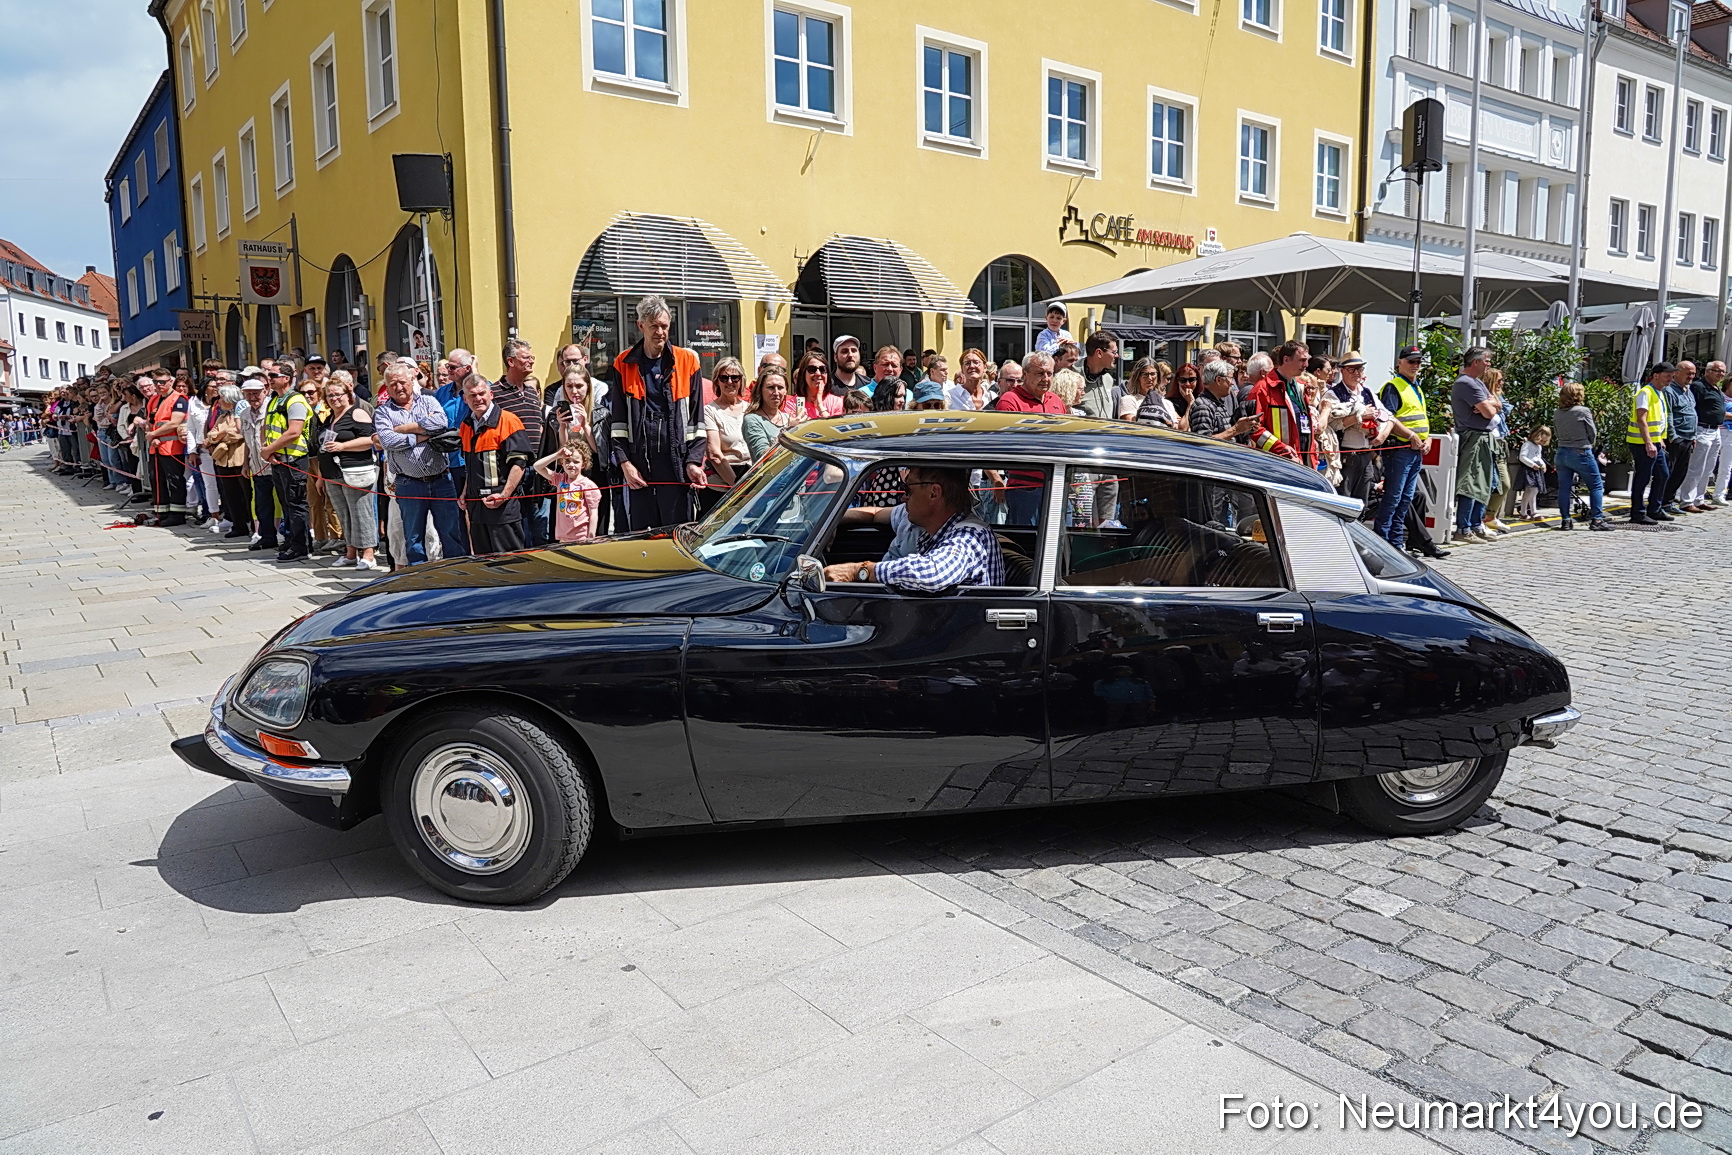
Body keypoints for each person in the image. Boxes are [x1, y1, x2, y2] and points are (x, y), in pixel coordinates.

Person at [609, 296, 707, 531]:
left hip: (676, 468)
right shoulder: (623, 363)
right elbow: (618, 423)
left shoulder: (687, 361)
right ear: (640, 325)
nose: (660, 332)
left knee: (678, 536)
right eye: (654, 326)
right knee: (641, 540)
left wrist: (694, 462)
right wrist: (625, 464)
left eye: (664, 325)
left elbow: (697, 419)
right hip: (639, 467)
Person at [822, 465, 1004, 590]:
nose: (903, 498)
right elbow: (876, 513)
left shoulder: (969, 536)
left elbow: (932, 574)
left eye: (908, 489)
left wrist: (859, 571)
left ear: (934, 493)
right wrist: (831, 520)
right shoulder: (934, 530)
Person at [373, 361, 472, 563]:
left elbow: (441, 423)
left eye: (402, 382)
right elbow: (388, 441)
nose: (399, 387)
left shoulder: (429, 401)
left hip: (442, 481)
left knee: (451, 534)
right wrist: (423, 435)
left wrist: (404, 428)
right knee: (414, 537)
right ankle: (420, 579)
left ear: (411, 380)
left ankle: (458, 574)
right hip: (409, 483)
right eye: (393, 384)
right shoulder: (383, 412)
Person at [458, 373, 533, 555]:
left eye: (482, 393)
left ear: (491, 394)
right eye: (472, 395)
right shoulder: (466, 425)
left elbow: (519, 464)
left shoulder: (508, 421)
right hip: (478, 508)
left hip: (502, 508)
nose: (478, 399)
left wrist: (504, 495)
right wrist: (465, 492)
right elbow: (471, 466)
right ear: (465, 399)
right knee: (484, 564)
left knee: (510, 563)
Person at [315, 372, 380, 571]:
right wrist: (320, 476)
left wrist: (343, 447)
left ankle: (368, 553)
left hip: (355, 470)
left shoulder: (357, 412)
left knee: (361, 513)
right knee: (344, 514)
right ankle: (350, 552)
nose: (335, 399)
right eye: (330, 396)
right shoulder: (330, 418)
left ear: (347, 394)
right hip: (332, 473)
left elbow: (371, 440)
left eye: (338, 394)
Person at [994, 351, 1067, 524]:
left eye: (1049, 373)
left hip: (1056, 486)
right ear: (1025, 375)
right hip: (1025, 489)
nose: (1046, 378)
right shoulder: (1010, 401)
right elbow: (1006, 445)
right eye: (1040, 373)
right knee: (1026, 545)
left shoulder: (1056, 401)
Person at [492, 337, 552, 544]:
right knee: (519, 528)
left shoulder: (531, 393)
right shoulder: (494, 394)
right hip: (512, 469)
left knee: (540, 527)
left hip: (537, 470)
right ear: (511, 361)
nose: (531, 362)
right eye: (526, 357)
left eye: (532, 357)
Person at [1373, 346, 1429, 548]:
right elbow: (1388, 418)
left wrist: (1427, 437)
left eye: (1418, 362)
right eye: (1411, 361)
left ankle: (1396, 543)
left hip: (1414, 450)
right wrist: (1411, 435)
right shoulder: (1393, 386)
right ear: (1400, 362)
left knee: (1405, 500)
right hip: (1399, 450)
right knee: (1393, 499)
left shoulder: (1416, 386)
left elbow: (1419, 418)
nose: (1415, 365)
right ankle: (1383, 543)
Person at [257, 363, 313, 560]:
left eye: (273, 375)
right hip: (279, 459)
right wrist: (267, 450)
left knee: (297, 503)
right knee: (287, 503)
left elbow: (294, 431)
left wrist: (269, 450)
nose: (269, 378)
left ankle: (301, 546)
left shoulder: (295, 400)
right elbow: (267, 426)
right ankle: (291, 540)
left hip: (294, 460)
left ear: (286, 378)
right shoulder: (274, 399)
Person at [1448, 347, 1501, 545]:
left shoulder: (1477, 382)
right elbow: (1489, 412)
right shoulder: (1466, 383)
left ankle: (1476, 524)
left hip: (1483, 438)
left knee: (1487, 483)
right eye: (1486, 361)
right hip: (1473, 439)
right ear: (1476, 362)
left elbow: (1497, 404)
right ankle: (1464, 528)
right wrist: (1489, 406)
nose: (1489, 364)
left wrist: (1491, 405)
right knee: (1471, 485)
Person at [1330, 353, 1388, 507]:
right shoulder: (1333, 394)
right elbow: (1332, 425)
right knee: (1343, 501)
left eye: (1360, 369)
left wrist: (1382, 436)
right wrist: (1360, 417)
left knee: (1362, 503)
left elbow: (1388, 417)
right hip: (1344, 456)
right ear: (1342, 371)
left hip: (1366, 455)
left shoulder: (1367, 392)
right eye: (1352, 369)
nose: (1357, 373)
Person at [1247, 341, 1316, 467]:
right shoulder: (1262, 389)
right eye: (1302, 360)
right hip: (1275, 463)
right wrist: (1282, 449)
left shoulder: (1300, 386)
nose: (1306, 365)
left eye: (1307, 360)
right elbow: (1253, 429)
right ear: (1286, 359)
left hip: (1302, 460)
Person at [1552, 382, 1610, 531]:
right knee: (1596, 485)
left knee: (1564, 488)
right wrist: (1589, 444)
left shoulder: (1557, 413)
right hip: (1581, 451)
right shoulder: (1583, 411)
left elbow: (1557, 433)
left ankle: (1566, 520)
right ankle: (1597, 520)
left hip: (1562, 451)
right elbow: (1592, 432)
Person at [204, 381, 253, 539]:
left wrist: (221, 435)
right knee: (230, 495)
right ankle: (238, 525)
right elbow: (211, 435)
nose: (219, 401)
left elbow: (239, 434)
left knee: (247, 495)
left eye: (222, 398)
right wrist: (224, 434)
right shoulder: (222, 417)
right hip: (223, 461)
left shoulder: (244, 413)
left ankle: (253, 524)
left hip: (240, 460)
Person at [1627, 363, 1673, 525]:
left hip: (1655, 442)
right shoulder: (1645, 393)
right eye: (1667, 375)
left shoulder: (1659, 393)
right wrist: (1648, 443)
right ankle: (1638, 513)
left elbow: (1658, 420)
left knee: (1663, 474)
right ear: (1655, 376)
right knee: (1643, 477)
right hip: (1642, 443)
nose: (1670, 379)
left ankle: (1655, 509)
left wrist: (1659, 439)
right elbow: (1642, 419)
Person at [533, 441, 603, 544]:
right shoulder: (560, 479)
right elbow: (537, 466)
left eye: (576, 462)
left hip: (581, 537)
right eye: (567, 461)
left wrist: (591, 536)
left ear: (583, 464)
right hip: (563, 537)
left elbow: (593, 513)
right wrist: (557, 455)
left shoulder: (588, 485)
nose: (571, 465)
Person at [1678, 358, 1725, 511]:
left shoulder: (1716, 388)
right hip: (1702, 430)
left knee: (1709, 468)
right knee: (1696, 467)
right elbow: (1692, 409)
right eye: (1718, 371)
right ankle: (1687, 500)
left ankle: (1699, 498)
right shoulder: (1698, 387)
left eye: (1723, 372)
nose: (1721, 374)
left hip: (1715, 430)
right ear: (1708, 371)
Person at [1657, 360, 1700, 517]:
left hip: (1689, 437)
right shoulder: (1670, 391)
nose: (1691, 376)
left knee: (1680, 473)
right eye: (1688, 373)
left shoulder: (1688, 390)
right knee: (1669, 472)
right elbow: (1669, 414)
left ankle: (1669, 502)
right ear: (1677, 372)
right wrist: (1673, 436)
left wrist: (1693, 435)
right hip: (1677, 438)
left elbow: (1691, 413)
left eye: (1694, 373)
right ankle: (1661, 503)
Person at [701, 357, 752, 488]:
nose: (730, 382)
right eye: (724, 378)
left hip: (751, 477)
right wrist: (737, 487)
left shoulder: (751, 409)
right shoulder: (710, 411)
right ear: (717, 381)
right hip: (722, 483)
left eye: (735, 378)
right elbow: (714, 454)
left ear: (741, 380)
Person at [1187, 360, 1262, 443]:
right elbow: (1202, 443)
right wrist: (1236, 429)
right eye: (1230, 378)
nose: (1232, 383)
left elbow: (1227, 435)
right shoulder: (1203, 406)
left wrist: (1246, 429)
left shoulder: (1217, 403)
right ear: (1219, 380)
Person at [1481, 369, 1515, 535]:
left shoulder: (1498, 396)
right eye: (1499, 380)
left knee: (1502, 483)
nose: (1502, 383)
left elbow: (1507, 408)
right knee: (1495, 483)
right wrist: (1497, 405)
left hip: (1501, 442)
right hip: (1489, 443)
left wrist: (1498, 404)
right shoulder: (1484, 395)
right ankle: (1483, 518)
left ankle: (1490, 516)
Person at [743, 366, 797, 461]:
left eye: (780, 387)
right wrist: (788, 432)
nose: (776, 392)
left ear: (785, 391)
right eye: (771, 387)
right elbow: (763, 457)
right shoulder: (753, 419)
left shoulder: (788, 418)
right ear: (761, 390)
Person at [792, 350, 843, 420]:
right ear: (803, 374)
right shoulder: (792, 404)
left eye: (823, 369)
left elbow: (834, 428)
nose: (818, 373)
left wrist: (820, 407)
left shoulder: (837, 403)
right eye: (812, 369)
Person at [1513, 426, 1550, 520]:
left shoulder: (1538, 447)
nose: (1542, 443)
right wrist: (1532, 464)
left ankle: (1530, 511)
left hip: (1536, 469)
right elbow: (1522, 457)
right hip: (1529, 469)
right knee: (1530, 491)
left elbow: (1538, 457)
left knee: (1534, 491)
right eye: (1541, 440)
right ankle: (1525, 511)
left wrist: (1543, 464)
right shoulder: (1528, 445)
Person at [1714, 366, 1732, 506]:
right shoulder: (1721, 396)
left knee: (1727, 467)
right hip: (1720, 431)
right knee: (1708, 465)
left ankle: (1720, 494)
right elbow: (1719, 415)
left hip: (1730, 435)